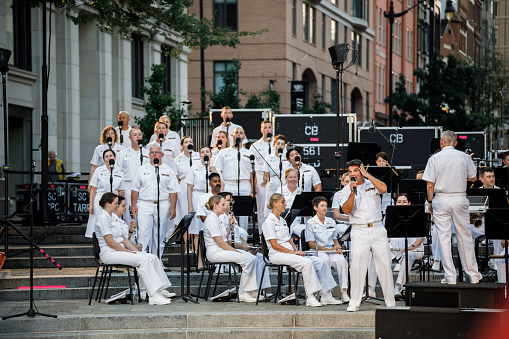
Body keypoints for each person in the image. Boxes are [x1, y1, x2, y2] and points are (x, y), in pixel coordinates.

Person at [422, 130, 482, 285]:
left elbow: (430, 184)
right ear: (455, 143)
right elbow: (474, 178)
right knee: (465, 236)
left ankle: (450, 276)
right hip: (459, 197)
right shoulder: (464, 157)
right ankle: (473, 274)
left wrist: (429, 202)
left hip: (441, 198)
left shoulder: (434, 158)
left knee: (444, 237)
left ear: (441, 142)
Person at [94, 192, 173, 306]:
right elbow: (110, 242)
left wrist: (136, 251)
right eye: (116, 203)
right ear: (107, 204)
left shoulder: (111, 218)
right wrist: (128, 252)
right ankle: (153, 295)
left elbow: (124, 239)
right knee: (143, 260)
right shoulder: (103, 219)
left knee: (151, 257)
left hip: (118, 251)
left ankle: (160, 289)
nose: (117, 206)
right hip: (109, 253)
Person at [338, 159, 396, 312]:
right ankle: (354, 302)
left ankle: (390, 302)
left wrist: (367, 175)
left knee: (384, 264)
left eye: (355, 171)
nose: (352, 174)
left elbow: (384, 189)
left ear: (361, 170)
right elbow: (346, 210)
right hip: (359, 230)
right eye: (350, 171)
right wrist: (352, 191)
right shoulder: (345, 190)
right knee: (357, 267)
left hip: (377, 228)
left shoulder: (372, 184)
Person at [262, 193, 338, 307]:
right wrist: (293, 253)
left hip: (289, 253)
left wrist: (296, 251)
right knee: (307, 263)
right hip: (277, 254)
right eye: (283, 202)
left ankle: (326, 295)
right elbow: (274, 245)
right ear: (275, 203)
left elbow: (289, 240)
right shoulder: (269, 221)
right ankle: (311, 297)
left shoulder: (282, 220)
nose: (285, 204)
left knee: (320, 262)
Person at [203, 195, 259, 302]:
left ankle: (251, 291)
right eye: (222, 204)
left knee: (253, 258)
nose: (225, 207)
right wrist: (237, 251)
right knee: (248, 260)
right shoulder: (211, 220)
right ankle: (243, 293)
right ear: (215, 205)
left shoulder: (217, 218)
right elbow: (220, 243)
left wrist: (229, 225)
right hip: (215, 253)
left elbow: (224, 237)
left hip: (221, 250)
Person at [218, 192, 272, 296]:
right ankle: (249, 291)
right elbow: (226, 241)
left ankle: (262, 289)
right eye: (229, 200)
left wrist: (248, 246)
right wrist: (243, 247)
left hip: (238, 246)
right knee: (253, 259)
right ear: (222, 202)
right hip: (228, 248)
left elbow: (238, 236)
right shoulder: (220, 218)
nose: (232, 203)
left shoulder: (230, 215)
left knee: (261, 258)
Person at [131, 145, 180, 258]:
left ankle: (157, 260)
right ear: (149, 155)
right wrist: (133, 205)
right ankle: (142, 259)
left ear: (162, 155)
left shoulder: (168, 170)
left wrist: (173, 208)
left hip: (162, 204)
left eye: (157, 152)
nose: (154, 154)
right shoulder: (142, 169)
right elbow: (135, 189)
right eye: (152, 152)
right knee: (143, 232)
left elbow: (173, 191)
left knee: (160, 233)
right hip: (144, 203)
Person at [306, 196, 350, 302]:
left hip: (331, 250)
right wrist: (327, 249)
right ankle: (326, 293)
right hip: (318, 251)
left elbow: (335, 239)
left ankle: (344, 292)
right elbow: (311, 244)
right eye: (322, 206)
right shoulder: (310, 223)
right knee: (324, 261)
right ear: (316, 208)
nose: (325, 208)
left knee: (341, 261)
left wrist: (337, 246)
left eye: (326, 206)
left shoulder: (331, 221)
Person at [212, 127, 254, 231]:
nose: (238, 135)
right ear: (232, 135)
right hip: (229, 184)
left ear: (244, 136)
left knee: (244, 214)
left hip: (244, 184)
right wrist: (221, 182)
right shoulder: (223, 152)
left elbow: (252, 173)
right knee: (228, 211)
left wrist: (253, 190)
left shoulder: (249, 153)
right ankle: (229, 236)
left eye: (241, 133)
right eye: (236, 133)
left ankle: (243, 235)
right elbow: (215, 169)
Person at [390, 193, 424, 300]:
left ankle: (397, 288)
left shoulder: (417, 216)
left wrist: (412, 247)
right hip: (393, 250)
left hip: (412, 250)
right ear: (396, 203)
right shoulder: (390, 216)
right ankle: (375, 289)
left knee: (408, 255)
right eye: (399, 202)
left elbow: (421, 237)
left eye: (404, 202)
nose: (401, 204)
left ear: (409, 203)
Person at [85, 149, 124, 238]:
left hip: (114, 202)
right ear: (103, 160)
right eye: (106, 156)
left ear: (114, 157)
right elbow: (93, 189)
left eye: (110, 156)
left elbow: (121, 191)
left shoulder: (120, 172)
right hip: (99, 201)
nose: (108, 158)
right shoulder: (99, 170)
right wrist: (91, 205)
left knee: (112, 228)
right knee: (98, 227)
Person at [116, 127, 150, 226]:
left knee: (144, 214)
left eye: (139, 134)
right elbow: (118, 172)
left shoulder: (147, 153)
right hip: (128, 186)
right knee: (129, 214)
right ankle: (130, 239)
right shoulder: (123, 154)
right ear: (130, 138)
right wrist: (120, 188)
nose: (137, 136)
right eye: (135, 135)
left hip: (145, 186)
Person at [185, 146, 213, 249]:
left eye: (207, 152)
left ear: (211, 154)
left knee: (211, 230)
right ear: (200, 155)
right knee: (197, 230)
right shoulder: (194, 168)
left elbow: (222, 186)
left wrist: (215, 172)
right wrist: (190, 206)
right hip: (197, 196)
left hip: (211, 197)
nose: (205, 154)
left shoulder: (215, 167)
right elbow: (189, 188)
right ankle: (198, 259)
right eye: (202, 152)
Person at [250, 121, 274, 230]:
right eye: (265, 128)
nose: (267, 130)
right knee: (262, 207)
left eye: (269, 127)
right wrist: (254, 185)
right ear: (261, 130)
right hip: (261, 177)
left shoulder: (276, 144)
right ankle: (262, 234)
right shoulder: (255, 146)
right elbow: (252, 166)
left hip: (274, 177)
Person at [261, 135, 290, 223]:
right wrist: (264, 181)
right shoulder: (269, 158)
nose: (280, 146)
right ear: (274, 145)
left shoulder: (287, 158)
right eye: (278, 144)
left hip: (285, 183)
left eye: (282, 144)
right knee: (270, 207)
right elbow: (265, 174)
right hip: (273, 184)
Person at [173, 136, 200, 224]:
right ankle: (186, 236)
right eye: (186, 142)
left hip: (197, 185)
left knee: (197, 212)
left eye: (191, 142)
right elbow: (176, 178)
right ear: (182, 146)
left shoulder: (199, 156)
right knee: (185, 212)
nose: (189, 143)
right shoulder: (177, 159)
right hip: (184, 187)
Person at [89, 126, 124, 190]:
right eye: (108, 134)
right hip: (103, 178)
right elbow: (94, 166)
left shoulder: (121, 149)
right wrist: (90, 183)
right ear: (105, 136)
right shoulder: (99, 148)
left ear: (115, 135)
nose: (110, 135)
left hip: (117, 178)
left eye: (112, 133)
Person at [276, 168, 303, 237]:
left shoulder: (301, 192)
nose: (293, 179)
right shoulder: (280, 191)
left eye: (295, 177)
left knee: (305, 232)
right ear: (285, 178)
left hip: (298, 223)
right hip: (283, 222)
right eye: (290, 177)